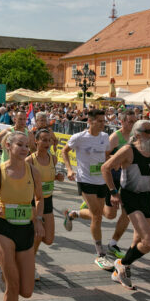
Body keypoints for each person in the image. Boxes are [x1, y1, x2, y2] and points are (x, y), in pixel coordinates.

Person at [101, 120, 150, 290]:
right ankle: (122, 263)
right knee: (149, 241)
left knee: (138, 240)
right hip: (130, 197)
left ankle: (120, 270)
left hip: (147, 198)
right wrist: (113, 192)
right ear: (137, 134)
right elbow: (105, 168)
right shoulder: (128, 150)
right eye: (148, 131)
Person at [0, 131, 45, 301]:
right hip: (3, 230)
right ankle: (6, 273)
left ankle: (3, 271)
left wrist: (38, 219)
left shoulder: (33, 171)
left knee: (27, 291)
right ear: (8, 146)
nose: (24, 149)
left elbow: (39, 198)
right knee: (13, 287)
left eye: (27, 146)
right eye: (20, 145)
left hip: (26, 230)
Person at [61, 109, 114, 270]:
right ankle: (100, 254)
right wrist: (69, 169)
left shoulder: (105, 137)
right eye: (99, 121)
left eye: (104, 121)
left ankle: (73, 214)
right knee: (97, 216)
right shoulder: (79, 138)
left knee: (96, 214)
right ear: (90, 121)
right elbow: (64, 151)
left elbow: (105, 157)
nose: (103, 124)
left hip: (101, 181)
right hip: (85, 180)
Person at [25, 129, 64, 280]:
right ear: (36, 141)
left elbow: (50, 177)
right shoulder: (30, 161)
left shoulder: (53, 159)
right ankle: (30, 263)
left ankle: (26, 255)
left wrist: (57, 177)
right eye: (44, 140)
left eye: (49, 140)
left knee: (48, 239)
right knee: (38, 234)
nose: (47, 143)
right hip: (33, 201)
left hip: (48, 200)